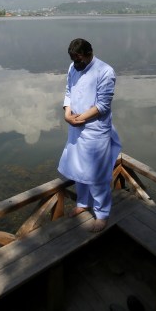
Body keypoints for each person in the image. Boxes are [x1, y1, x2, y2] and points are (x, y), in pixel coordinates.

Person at [57, 38, 122, 232]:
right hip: (76, 126)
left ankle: (102, 213)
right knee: (79, 170)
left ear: (88, 53)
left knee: (97, 174)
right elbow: (69, 91)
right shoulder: (73, 67)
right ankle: (83, 204)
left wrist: (79, 119)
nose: (76, 65)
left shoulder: (105, 72)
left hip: (95, 130)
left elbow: (103, 105)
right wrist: (67, 113)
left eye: (79, 60)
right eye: (73, 61)